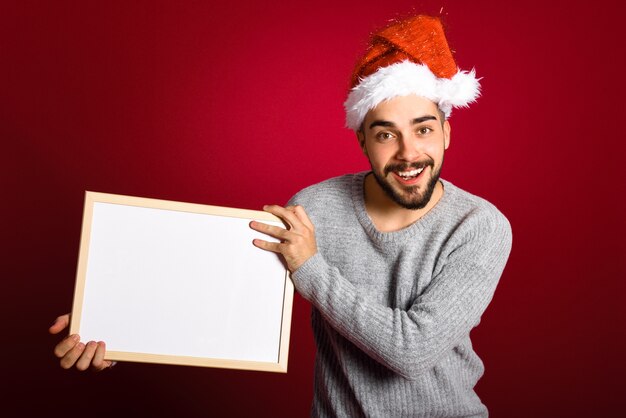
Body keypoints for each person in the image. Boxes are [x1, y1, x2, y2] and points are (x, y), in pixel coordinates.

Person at [51, 15, 512, 417]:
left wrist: (310, 267)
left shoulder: (479, 226)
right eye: (386, 134)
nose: (409, 153)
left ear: (447, 133)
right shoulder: (315, 208)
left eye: (424, 129)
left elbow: (412, 350)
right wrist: (111, 318)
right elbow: (222, 297)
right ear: (363, 141)